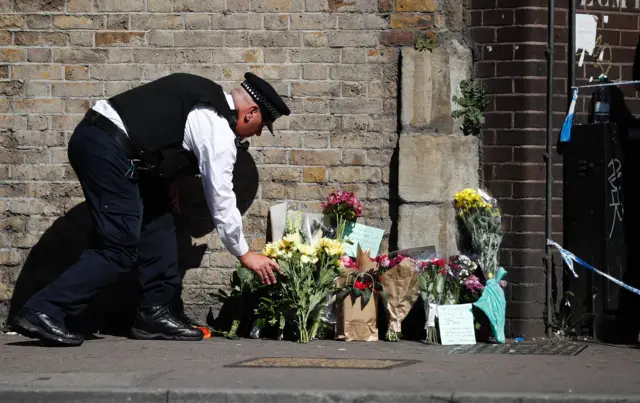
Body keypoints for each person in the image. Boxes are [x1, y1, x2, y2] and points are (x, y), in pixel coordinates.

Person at [11, 72, 290, 346]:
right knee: (118, 248)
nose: (258, 133)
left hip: (110, 145)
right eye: (262, 125)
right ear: (250, 112)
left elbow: (157, 133)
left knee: (159, 215)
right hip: (105, 148)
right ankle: (44, 310)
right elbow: (221, 197)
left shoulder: (204, 97)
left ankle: (155, 313)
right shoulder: (217, 127)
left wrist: (165, 176)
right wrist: (244, 254)